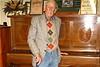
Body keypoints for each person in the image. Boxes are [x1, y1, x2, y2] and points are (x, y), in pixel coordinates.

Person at [28, 0, 61, 67]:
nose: (51, 10)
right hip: (42, 56)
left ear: (55, 10)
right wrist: (37, 55)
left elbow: (55, 38)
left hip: (54, 55)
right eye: (49, 7)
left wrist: (58, 50)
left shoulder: (58, 21)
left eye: (53, 8)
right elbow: (30, 39)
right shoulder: (36, 20)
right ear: (44, 8)